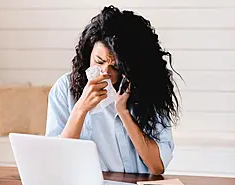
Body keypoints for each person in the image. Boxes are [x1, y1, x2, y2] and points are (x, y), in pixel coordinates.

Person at [45, 5, 181, 175]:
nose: (105, 72)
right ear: (88, 54)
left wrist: (123, 113)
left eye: (116, 67)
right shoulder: (64, 89)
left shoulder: (148, 90)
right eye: (99, 61)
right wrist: (81, 108)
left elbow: (157, 166)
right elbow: (57, 160)